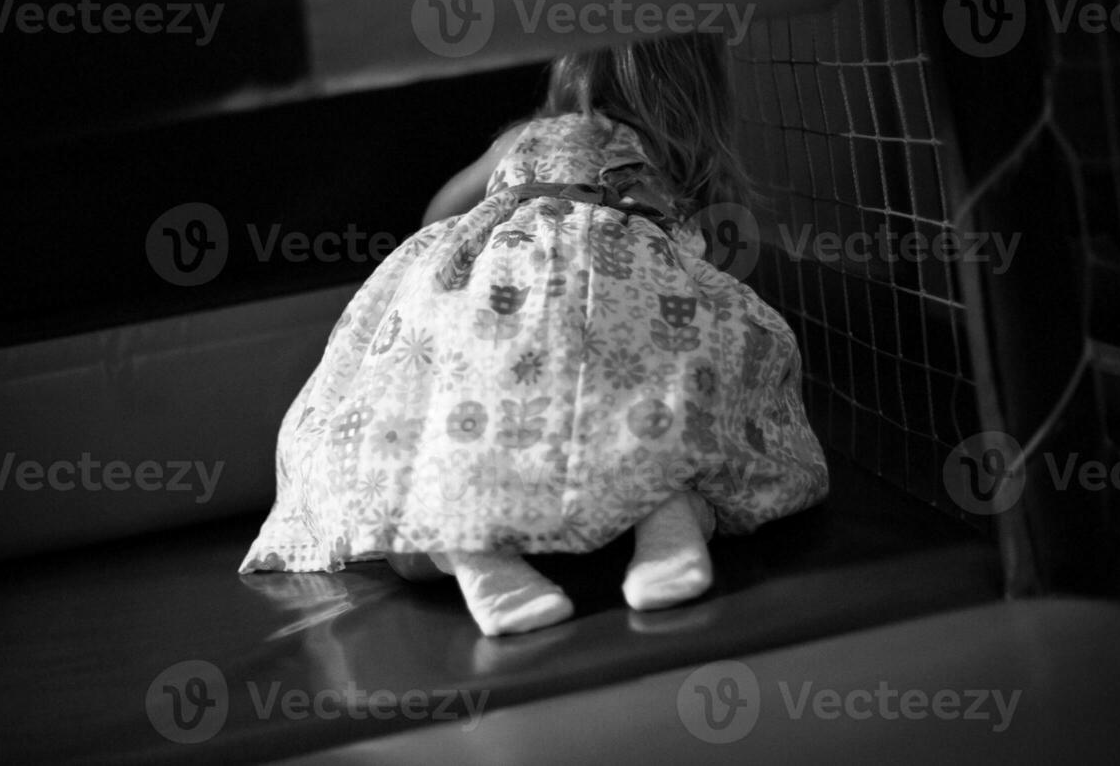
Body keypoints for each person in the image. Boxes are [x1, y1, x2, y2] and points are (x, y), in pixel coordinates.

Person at [240, 32, 828, 636]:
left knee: (436, 476)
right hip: (626, 296)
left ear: (569, 70)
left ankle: (473, 554)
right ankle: (670, 521)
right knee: (653, 406)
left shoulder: (522, 138)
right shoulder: (672, 158)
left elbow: (437, 213)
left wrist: (498, 223)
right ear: (696, 94)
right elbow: (712, 253)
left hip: (501, 297)